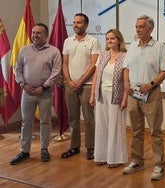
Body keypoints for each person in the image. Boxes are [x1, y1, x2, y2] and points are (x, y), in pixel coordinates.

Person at [123, 15, 165, 181]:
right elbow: (126, 68)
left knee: (155, 131)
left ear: (150, 28)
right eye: (136, 26)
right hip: (134, 93)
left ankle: (159, 165)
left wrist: (151, 83)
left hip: (151, 92)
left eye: (141, 26)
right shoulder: (132, 46)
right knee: (136, 130)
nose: (138, 29)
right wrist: (126, 84)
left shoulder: (159, 46)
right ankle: (137, 161)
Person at [10, 23, 62, 165]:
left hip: (45, 93)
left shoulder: (54, 51)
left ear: (46, 35)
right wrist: (23, 85)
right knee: (26, 122)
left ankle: (44, 149)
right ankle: (24, 151)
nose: (35, 35)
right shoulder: (24, 50)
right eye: (33, 33)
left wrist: (44, 87)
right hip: (27, 92)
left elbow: (56, 72)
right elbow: (18, 69)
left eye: (38, 33)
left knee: (45, 122)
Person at [61, 13, 101, 160]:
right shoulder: (67, 41)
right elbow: (64, 63)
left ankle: (90, 148)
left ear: (86, 25)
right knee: (73, 118)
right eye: (74, 22)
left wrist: (81, 81)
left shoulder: (93, 41)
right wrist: (70, 81)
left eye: (79, 23)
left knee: (89, 118)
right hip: (70, 85)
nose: (75, 25)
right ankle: (74, 147)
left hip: (87, 85)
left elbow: (93, 65)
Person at [89, 29, 128, 168]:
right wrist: (92, 94)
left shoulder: (124, 56)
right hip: (101, 94)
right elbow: (96, 75)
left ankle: (115, 158)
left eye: (112, 38)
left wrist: (125, 98)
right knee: (101, 126)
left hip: (116, 95)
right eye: (107, 39)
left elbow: (126, 80)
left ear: (119, 40)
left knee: (115, 127)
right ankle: (102, 155)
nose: (109, 41)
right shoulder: (103, 55)